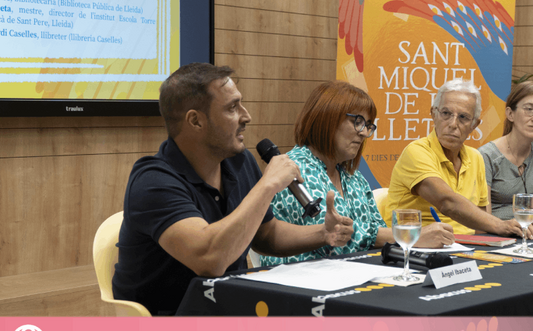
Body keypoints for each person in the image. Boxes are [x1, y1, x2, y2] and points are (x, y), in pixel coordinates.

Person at [112, 63, 354, 315]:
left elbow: (265, 234)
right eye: (232, 108)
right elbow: (209, 260)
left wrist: (323, 234)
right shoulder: (153, 181)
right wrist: (267, 185)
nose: (246, 115)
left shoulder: (239, 162)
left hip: (227, 310)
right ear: (195, 121)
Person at [259, 81, 456, 266]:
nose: (364, 133)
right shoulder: (294, 169)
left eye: (368, 126)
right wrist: (409, 235)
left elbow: (378, 232)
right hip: (297, 283)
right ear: (326, 117)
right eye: (358, 122)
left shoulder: (353, 177)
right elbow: (335, 242)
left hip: (353, 275)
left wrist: (397, 237)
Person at [382, 79, 533, 238]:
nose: (453, 124)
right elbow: (447, 203)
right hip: (416, 247)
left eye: (463, 117)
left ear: (474, 125)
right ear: (433, 114)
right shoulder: (416, 151)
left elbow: (482, 223)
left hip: (466, 247)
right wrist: (501, 224)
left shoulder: (476, 157)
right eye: (446, 113)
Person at [478, 81, 533, 224]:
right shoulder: (486, 156)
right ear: (510, 114)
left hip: (530, 235)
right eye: (529, 109)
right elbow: (482, 222)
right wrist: (506, 227)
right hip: (496, 236)